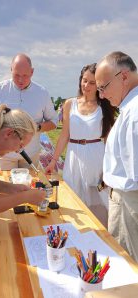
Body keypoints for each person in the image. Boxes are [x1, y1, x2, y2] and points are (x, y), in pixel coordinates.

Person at [45, 63, 116, 227]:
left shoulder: (104, 107)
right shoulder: (70, 104)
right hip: (73, 158)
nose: (86, 85)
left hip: (96, 158)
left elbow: (109, 140)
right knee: (73, 201)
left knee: (99, 204)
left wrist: (109, 167)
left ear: (98, 84)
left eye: (92, 83)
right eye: (84, 81)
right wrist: (53, 161)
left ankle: (101, 238)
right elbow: (64, 135)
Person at [95, 51, 138, 262]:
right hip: (127, 198)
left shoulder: (134, 112)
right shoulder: (130, 107)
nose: (101, 95)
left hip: (129, 203)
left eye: (103, 87)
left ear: (122, 77)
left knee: (128, 264)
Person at [0, 53, 58, 170]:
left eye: (25, 75)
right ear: (11, 70)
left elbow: (54, 122)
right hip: (5, 154)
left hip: (30, 154)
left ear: (32, 72)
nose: (20, 80)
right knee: (4, 186)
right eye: (16, 75)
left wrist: (35, 127)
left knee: (28, 186)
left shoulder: (42, 93)